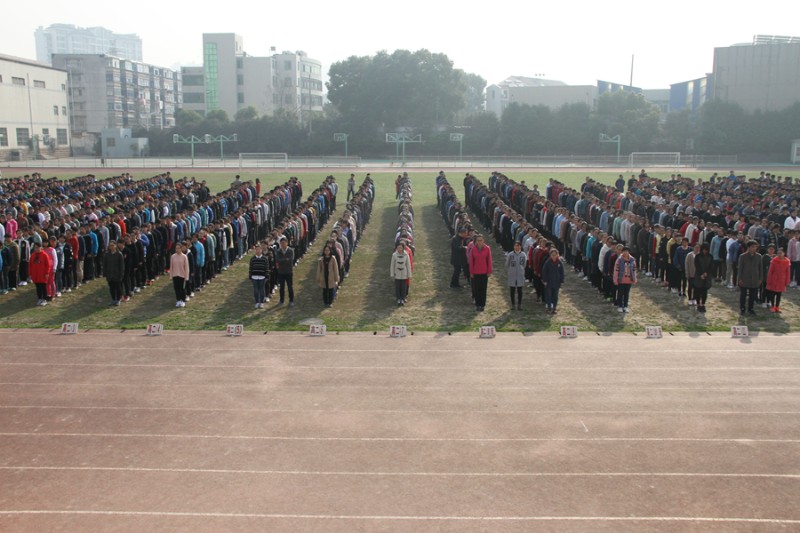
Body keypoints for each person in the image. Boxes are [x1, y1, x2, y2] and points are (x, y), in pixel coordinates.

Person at [737, 240, 762, 316]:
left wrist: (760, 279)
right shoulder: (743, 256)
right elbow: (740, 268)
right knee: (743, 295)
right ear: (749, 247)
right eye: (753, 247)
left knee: (752, 295)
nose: (754, 248)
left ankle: (751, 309)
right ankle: (742, 309)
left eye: (755, 247)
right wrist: (739, 279)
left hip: (754, 279)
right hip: (745, 278)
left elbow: (760, 268)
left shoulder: (759, 256)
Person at [469, 234, 492, 312]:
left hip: (484, 272)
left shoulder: (487, 249)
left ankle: (482, 304)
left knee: (483, 289)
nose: (479, 242)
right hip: (476, 272)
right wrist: (471, 272)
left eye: (481, 240)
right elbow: (471, 261)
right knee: (476, 289)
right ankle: (477, 304)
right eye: (478, 240)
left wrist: (489, 271)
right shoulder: (473, 249)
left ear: (483, 240)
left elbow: (489, 260)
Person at [765, 248, 791, 313]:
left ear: (784, 253)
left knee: (779, 295)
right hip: (774, 279)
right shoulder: (774, 261)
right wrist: (769, 280)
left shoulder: (787, 261)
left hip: (782, 280)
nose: (779, 254)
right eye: (778, 253)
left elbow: (788, 273)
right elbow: (770, 272)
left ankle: (777, 307)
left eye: (781, 253)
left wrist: (787, 281)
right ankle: (772, 307)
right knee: (772, 294)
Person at [541, 248, 565, 314]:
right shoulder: (547, 262)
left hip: (556, 282)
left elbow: (562, 272)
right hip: (549, 282)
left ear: (557, 255)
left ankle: (554, 307)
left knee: (555, 295)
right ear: (550, 255)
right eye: (552, 255)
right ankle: (548, 307)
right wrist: (545, 280)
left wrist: (561, 280)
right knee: (548, 295)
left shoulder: (559, 262)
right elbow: (544, 271)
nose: (554, 256)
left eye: (555, 254)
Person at [612, 246, 637, 313]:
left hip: (629, 280)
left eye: (627, 251)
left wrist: (634, 278)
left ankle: (625, 306)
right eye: (624, 251)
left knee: (626, 293)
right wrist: (615, 279)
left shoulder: (632, 260)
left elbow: (634, 270)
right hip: (621, 279)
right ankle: (620, 306)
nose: (626, 253)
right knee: (620, 293)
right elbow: (616, 270)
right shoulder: (619, 260)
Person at [505, 240, 527, 310]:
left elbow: (524, 264)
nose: (516, 247)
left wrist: (521, 270)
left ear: (520, 246)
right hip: (512, 274)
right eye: (515, 246)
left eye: (518, 246)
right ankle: (513, 304)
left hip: (520, 274)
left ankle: (519, 304)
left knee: (520, 290)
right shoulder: (510, 255)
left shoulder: (523, 255)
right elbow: (507, 264)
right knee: (512, 290)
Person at [693, 243, 714, 313]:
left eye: (706, 250)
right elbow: (697, 266)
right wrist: (701, 274)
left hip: (707, 276)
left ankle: (703, 304)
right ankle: (698, 304)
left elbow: (711, 266)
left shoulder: (710, 256)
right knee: (698, 291)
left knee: (705, 291)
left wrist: (706, 273)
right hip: (699, 276)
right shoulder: (698, 256)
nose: (705, 251)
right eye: (704, 250)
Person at [102, 241, 125, 306]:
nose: (111, 247)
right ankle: (113, 299)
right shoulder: (107, 254)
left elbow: (122, 266)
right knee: (111, 287)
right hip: (110, 274)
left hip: (117, 274)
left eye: (112, 245)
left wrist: (121, 274)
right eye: (110, 246)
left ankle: (118, 299)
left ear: (115, 246)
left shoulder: (119, 254)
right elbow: (105, 264)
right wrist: (105, 273)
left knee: (117, 287)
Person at [28, 242, 51, 307]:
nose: (36, 249)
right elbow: (30, 265)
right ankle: (40, 298)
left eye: (37, 247)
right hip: (35, 274)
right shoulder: (33, 255)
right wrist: (30, 273)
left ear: (41, 247)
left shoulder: (44, 255)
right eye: (35, 247)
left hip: (42, 274)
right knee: (38, 287)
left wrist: (47, 273)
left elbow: (48, 265)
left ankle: (44, 299)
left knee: (43, 286)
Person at [274, 236, 295, 306]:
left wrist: (283, 261)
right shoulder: (278, 251)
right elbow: (277, 260)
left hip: (289, 271)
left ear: (287, 243)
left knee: (290, 287)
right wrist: (285, 260)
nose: (282, 244)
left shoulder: (290, 251)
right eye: (281, 243)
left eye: (284, 243)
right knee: (281, 287)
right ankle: (281, 300)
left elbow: (290, 260)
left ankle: (291, 300)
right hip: (281, 272)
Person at [249, 244, 269, 309]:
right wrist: (250, 276)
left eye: (259, 249)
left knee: (261, 289)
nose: (257, 251)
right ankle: (257, 302)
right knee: (256, 290)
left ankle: (262, 302)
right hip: (254, 276)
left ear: (261, 250)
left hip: (262, 276)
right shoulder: (252, 259)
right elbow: (250, 268)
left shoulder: (264, 259)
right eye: (256, 249)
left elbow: (267, 268)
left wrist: (267, 276)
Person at [169, 243, 190, 308]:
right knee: (176, 288)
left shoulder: (184, 257)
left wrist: (186, 277)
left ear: (181, 249)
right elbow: (171, 266)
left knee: (182, 289)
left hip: (182, 275)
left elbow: (186, 267)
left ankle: (182, 300)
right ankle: (178, 300)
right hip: (175, 275)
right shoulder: (173, 256)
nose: (177, 250)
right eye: (176, 248)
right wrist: (171, 275)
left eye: (178, 248)